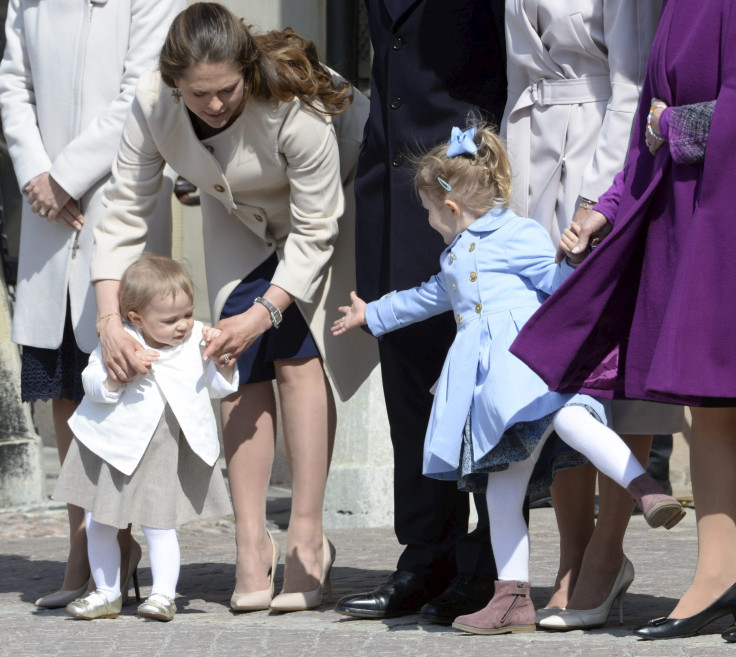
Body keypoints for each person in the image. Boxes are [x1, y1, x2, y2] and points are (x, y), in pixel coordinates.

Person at [332, 122, 684, 635]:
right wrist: (375, 314)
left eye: (430, 213)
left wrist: (577, 259)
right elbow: (428, 296)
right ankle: (513, 597)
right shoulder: (453, 257)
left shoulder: (520, 234)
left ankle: (644, 489)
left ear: (451, 208)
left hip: (530, 362)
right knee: (502, 490)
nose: (429, 223)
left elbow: (559, 284)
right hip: (491, 393)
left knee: (571, 419)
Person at [91, 3, 377, 613]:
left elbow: (315, 227)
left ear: (247, 70)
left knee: (300, 355)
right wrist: (110, 320)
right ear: (174, 85)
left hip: (331, 204)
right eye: (200, 95)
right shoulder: (151, 103)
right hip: (238, 214)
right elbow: (123, 210)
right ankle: (252, 543)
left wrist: (267, 311)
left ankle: (306, 537)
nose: (216, 105)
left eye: (227, 91)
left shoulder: (294, 103)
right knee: (232, 359)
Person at [510, 0, 736, 641]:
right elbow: (647, 130)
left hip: (724, 212)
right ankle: (718, 578)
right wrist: (606, 209)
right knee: (713, 405)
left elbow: (674, 122)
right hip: (695, 213)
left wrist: (684, 127)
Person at [0, 0, 182, 608]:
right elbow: (13, 82)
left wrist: (67, 176)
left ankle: (124, 535)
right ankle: (84, 543)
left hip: (118, 193)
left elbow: (144, 87)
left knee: (124, 381)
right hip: (46, 206)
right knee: (63, 382)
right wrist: (36, 174)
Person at [337, 0, 507, 624]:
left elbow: (508, 67)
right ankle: (425, 554)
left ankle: (488, 562)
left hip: (465, 189)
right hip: (390, 191)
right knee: (408, 382)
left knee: (481, 388)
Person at [54, 255, 236, 622]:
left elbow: (217, 387)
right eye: (170, 320)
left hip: (163, 447)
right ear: (136, 318)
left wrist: (223, 361)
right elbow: (91, 381)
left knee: (159, 522)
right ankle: (106, 591)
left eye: (187, 314)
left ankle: (163, 595)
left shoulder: (196, 339)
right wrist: (113, 381)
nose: (183, 325)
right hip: (114, 446)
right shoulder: (121, 340)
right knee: (100, 522)